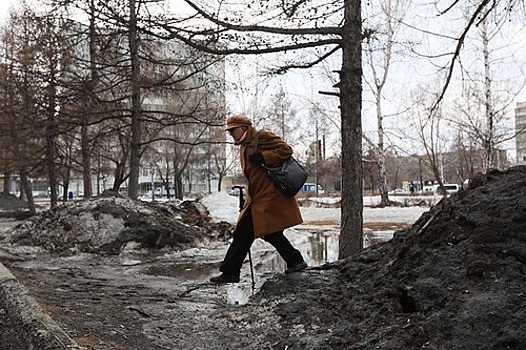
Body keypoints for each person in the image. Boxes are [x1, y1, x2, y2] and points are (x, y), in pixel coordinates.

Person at [210, 114, 307, 283]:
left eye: (233, 130)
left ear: (244, 128)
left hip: (269, 197)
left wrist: (264, 157)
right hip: (257, 198)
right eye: (230, 131)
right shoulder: (243, 146)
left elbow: (286, 150)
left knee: (243, 234)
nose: (231, 134)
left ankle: (231, 272)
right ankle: (295, 260)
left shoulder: (261, 137)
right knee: (270, 234)